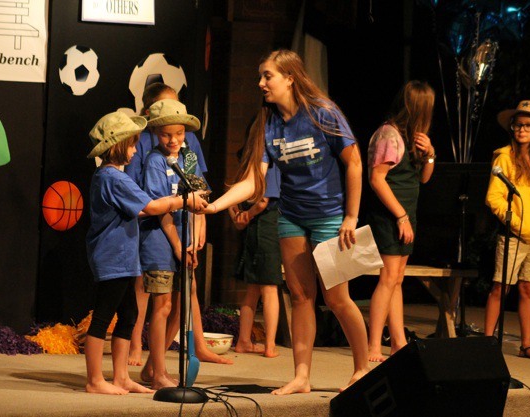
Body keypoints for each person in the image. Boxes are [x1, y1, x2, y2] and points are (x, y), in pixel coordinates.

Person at [201, 49, 370, 394]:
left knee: (336, 299)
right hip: (291, 216)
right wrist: (216, 207)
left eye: (268, 76)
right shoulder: (268, 122)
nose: (261, 83)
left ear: (290, 78)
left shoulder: (322, 113)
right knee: (300, 297)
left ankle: (363, 368)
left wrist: (351, 216)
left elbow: (354, 162)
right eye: (260, 77)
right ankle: (301, 377)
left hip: (328, 216)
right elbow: (253, 181)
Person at [84, 111, 206, 395]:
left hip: (125, 259)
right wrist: (183, 200)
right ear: (117, 146)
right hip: (112, 258)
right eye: (131, 144)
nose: (136, 149)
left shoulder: (114, 177)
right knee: (103, 317)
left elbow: (139, 208)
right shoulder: (112, 177)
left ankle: (122, 377)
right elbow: (150, 207)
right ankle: (94, 380)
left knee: (128, 315)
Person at [125, 83, 233, 369]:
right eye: (167, 134)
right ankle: (145, 353)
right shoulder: (152, 159)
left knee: (182, 297)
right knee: (154, 295)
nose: (174, 140)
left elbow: (199, 193)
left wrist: (198, 229)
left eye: (179, 133)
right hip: (160, 234)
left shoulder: (189, 154)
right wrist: (177, 243)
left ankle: (154, 364)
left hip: (184, 235)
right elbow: (161, 207)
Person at [365, 80, 436, 363]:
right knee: (388, 278)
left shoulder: (414, 137)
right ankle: (373, 345)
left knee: (397, 279)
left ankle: (398, 342)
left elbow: (423, 179)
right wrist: (401, 217)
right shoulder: (388, 135)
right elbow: (376, 179)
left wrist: (430, 154)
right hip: (391, 216)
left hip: (407, 214)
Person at [484, 100, 530, 360]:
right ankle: (486, 343)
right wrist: (518, 225)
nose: (522, 130)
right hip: (513, 234)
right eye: (518, 125)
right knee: (501, 287)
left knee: (529, 289)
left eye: (529, 126)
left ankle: (526, 344)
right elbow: (493, 198)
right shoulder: (504, 157)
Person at [229, 157, 282, 358]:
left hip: (253, 230)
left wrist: (239, 216)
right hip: (266, 227)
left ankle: (243, 341)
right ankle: (270, 345)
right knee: (269, 288)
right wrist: (247, 215)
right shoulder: (270, 164)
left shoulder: (246, 164)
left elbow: (232, 195)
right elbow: (262, 202)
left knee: (252, 288)